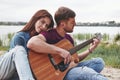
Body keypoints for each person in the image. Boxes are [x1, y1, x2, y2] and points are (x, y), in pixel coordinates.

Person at [27, 7, 108, 80]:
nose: (75, 24)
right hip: (57, 74)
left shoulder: (69, 39)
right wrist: (60, 51)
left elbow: (75, 58)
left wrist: (90, 49)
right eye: (72, 22)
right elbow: (32, 43)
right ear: (62, 24)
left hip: (69, 70)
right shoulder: (49, 34)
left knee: (99, 62)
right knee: (86, 72)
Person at [0, 9, 54, 80]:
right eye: (42, 22)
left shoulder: (41, 41)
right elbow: (16, 67)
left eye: (46, 25)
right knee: (19, 49)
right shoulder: (20, 37)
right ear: (35, 19)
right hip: (4, 69)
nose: (44, 27)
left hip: (23, 75)